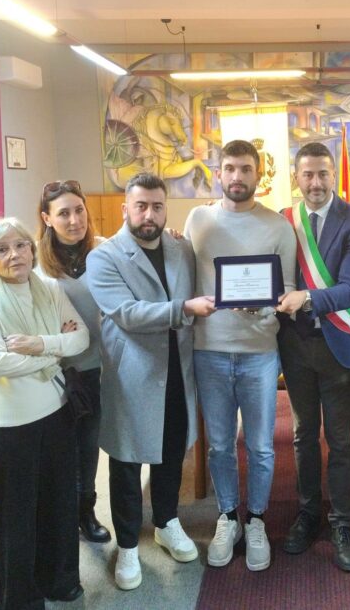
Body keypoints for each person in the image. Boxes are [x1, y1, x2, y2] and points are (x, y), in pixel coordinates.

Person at [0, 180, 112, 544]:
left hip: (94, 365)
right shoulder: (33, 260)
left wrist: (173, 235)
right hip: (54, 375)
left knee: (88, 447)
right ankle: (64, 519)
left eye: (79, 210)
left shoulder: (104, 250)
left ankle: (85, 511)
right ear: (46, 218)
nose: (74, 220)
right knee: (63, 453)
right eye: (63, 213)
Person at [86, 173, 216, 590]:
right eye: (140, 206)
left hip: (177, 371)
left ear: (166, 210)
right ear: (125, 208)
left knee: (171, 453)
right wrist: (185, 309)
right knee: (127, 463)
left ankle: (166, 522)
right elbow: (127, 313)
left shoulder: (181, 248)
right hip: (132, 376)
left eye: (157, 206)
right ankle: (127, 545)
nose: (149, 215)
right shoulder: (104, 258)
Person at [0, 217, 89, 609]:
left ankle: (60, 580)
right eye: (1, 249)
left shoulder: (49, 288)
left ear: (32, 250)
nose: (14, 254)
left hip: (55, 413)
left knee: (58, 506)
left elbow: (81, 338)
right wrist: (55, 349)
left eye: (20, 245)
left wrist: (38, 344)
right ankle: (20, 600)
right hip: (5, 427)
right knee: (12, 520)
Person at [183, 139, 296, 572]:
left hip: (259, 353)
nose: (236, 176)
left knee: (262, 446)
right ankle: (228, 516)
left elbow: (286, 289)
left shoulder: (278, 226)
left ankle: (257, 520)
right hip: (210, 350)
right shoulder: (198, 219)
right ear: (219, 173)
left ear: (258, 175)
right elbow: (181, 272)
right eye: (229, 168)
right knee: (220, 445)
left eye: (245, 169)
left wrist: (263, 305)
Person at [276, 141, 350, 572]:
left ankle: (340, 523)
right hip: (295, 347)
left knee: (340, 440)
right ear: (296, 177)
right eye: (307, 174)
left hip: (337, 344)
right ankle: (307, 514)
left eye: (323, 173)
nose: (315, 182)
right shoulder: (283, 220)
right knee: (302, 435)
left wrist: (308, 298)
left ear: (333, 175)